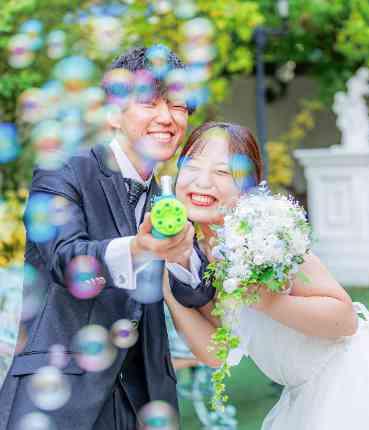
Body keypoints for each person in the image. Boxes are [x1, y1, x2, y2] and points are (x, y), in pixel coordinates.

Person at [0, 46, 215, 430]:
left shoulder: (172, 196)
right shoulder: (63, 167)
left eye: (178, 106)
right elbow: (66, 259)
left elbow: (194, 296)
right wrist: (139, 247)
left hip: (146, 403)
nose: (167, 117)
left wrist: (184, 257)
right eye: (149, 102)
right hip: (59, 399)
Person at [164, 121, 369, 430]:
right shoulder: (195, 256)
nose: (202, 181)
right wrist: (168, 281)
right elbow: (216, 352)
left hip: (351, 379)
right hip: (303, 395)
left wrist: (265, 300)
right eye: (192, 166)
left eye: (222, 172)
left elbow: (345, 319)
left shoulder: (264, 234)